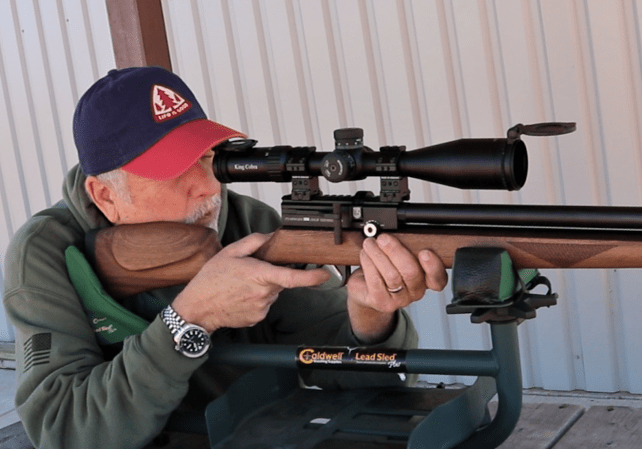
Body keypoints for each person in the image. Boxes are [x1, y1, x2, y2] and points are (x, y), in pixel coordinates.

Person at [2, 66, 447, 449]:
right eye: (177, 171)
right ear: (105, 196)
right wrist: (188, 321)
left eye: (209, 159)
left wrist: (369, 319)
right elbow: (64, 432)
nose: (210, 188)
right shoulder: (46, 253)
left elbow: (368, 385)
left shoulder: (253, 222)